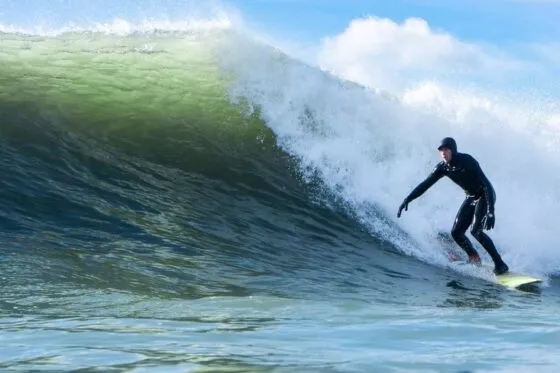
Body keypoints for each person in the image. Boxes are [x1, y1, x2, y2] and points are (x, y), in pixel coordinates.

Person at [396, 137, 509, 275]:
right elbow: (425, 185)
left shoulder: (467, 161)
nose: (443, 152)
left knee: (476, 231)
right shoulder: (443, 167)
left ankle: (500, 264)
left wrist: (491, 211)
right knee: (456, 233)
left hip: (485, 195)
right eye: (441, 150)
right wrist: (408, 199)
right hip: (471, 197)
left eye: (446, 149)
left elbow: (486, 184)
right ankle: (474, 257)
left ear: (453, 150)